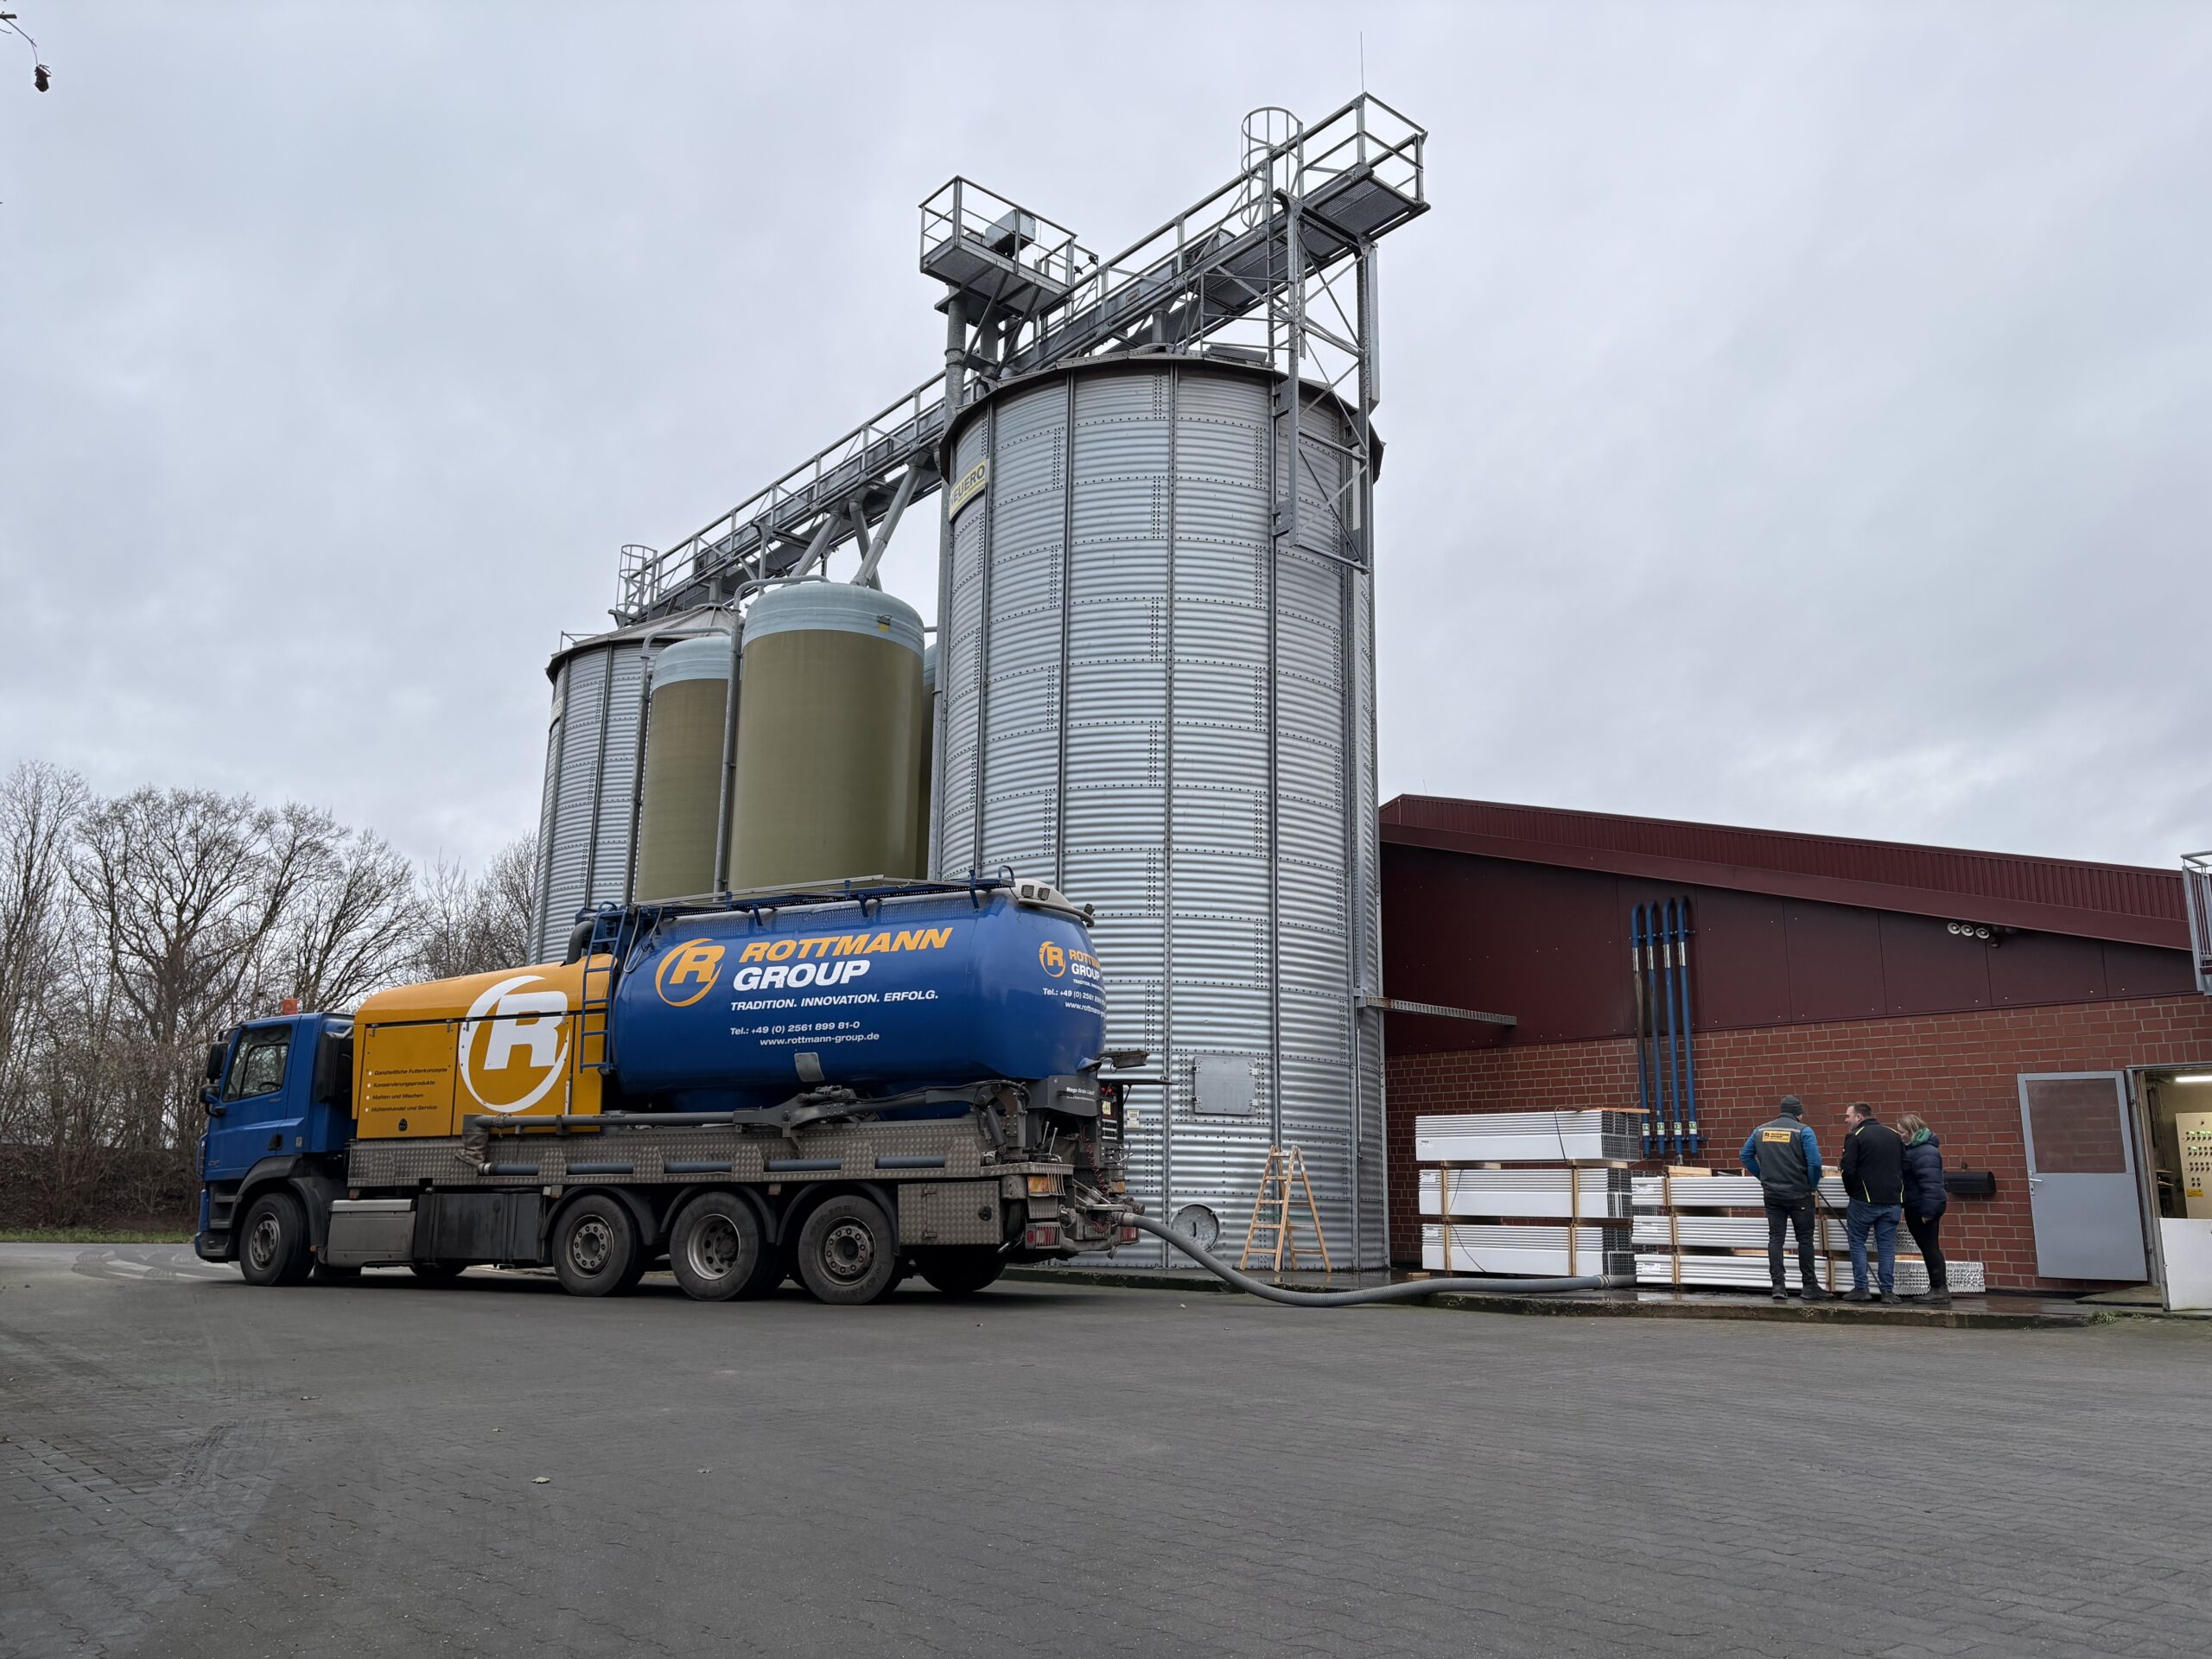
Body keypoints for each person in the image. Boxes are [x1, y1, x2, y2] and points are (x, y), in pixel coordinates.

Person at [1739, 1095, 1827, 1302]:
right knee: (1804, 1239)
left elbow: (1745, 1156)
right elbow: (1815, 1163)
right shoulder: (1804, 1131)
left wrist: (1763, 1176)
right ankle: (1809, 1286)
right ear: (1799, 1113)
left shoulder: (1761, 1131)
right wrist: (1811, 1184)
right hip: (1799, 1194)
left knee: (1776, 1238)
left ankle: (1778, 1286)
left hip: (1772, 1194)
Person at [1840, 1102, 1907, 1303]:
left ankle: (1862, 1288)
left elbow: (1848, 1170)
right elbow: (1906, 1165)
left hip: (1864, 1200)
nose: (1846, 1120)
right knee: (1886, 1246)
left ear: (1859, 1117)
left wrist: (1853, 1192)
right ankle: (1888, 1291)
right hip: (1893, 1201)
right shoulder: (1893, 1135)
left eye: (1848, 1116)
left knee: (1857, 1242)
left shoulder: (1856, 1136)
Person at [1897, 1111, 1951, 1306]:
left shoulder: (1924, 1152)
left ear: (1912, 1131)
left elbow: (1932, 1185)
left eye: (1902, 1132)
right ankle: (1937, 1287)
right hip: (1919, 1204)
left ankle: (1938, 1288)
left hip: (1922, 1207)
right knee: (1929, 1247)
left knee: (1929, 1247)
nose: (1900, 1136)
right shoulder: (1920, 1150)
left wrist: (1928, 1212)